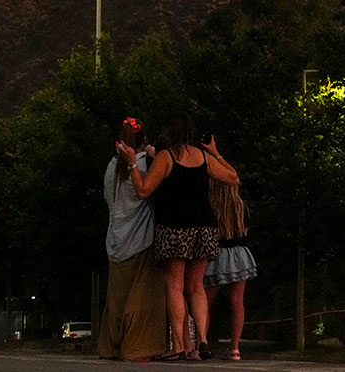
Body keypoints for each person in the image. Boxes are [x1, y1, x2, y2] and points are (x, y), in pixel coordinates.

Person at [118, 115, 239, 361]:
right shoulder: (202, 157)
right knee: (197, 287)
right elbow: (233, 178)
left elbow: (143, 191)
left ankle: (179, 345)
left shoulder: (166, 157)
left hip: (174, 228)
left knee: (175, 285)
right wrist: (215, 154)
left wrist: (132, 164)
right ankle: (202, 341)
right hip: (204, 228)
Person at [98, 117, 167, 361]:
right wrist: (152, 154)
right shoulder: (143, 165)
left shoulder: (110, 168)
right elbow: (150, 189)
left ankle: (112, 345)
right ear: (143, 140)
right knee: (142, 296)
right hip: (140, 241)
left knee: (117, 300)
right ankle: (139, 344)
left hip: (116, 241)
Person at [204, 143, 256, 362]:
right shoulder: (239, 205)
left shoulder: (211, 204)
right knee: (237, 302)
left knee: (205, 301)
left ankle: (200, 341)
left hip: (217, 254)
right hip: (239, 254)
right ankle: (235, 347)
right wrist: (218, 154)